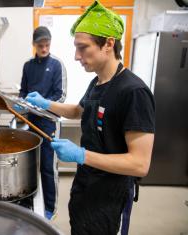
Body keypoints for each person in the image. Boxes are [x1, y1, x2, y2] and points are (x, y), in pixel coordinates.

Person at [25, 1, 155, 234]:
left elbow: (140, 164)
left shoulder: (133, 92)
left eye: (83, 48)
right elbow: (79, 110)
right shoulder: (97, 82)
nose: (76, 56)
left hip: (109, 195)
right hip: (86, 183)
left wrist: (81, 154)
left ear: (108, 44)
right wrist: (46, 104)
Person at [15, 26, 67, 220]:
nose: (44, 49)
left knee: (47, 167)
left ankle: (50, 209)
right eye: (40, 45)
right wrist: (21, 103)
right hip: (31, 122)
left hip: (49, 123)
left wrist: (42, 105)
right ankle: (31, 202)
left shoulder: (56, 65)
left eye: (47, 45)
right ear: (34, 45)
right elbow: (23, 91)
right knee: (30, 165)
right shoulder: (28, 66)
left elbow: (61, 96)